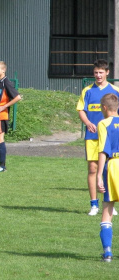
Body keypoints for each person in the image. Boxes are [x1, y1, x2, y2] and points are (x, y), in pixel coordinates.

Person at [77, 59, 119, 216]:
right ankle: (94, 204)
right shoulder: (87, 91)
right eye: (96, 72)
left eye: (101, 72)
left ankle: (110, 202)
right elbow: (81, 109)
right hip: (93, 136)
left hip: (111, 136)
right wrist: (88, 122)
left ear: (107, 72)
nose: (98, 75)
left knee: (109, 169)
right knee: (93, 168)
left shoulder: (115, 90)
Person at [96, 93, 119, 262]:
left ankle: (108, 252)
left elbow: (104, 149)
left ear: (104, 108)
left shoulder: (103, 123)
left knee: (107, 209)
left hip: (113, 165)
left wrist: (99, 175)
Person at [0, 61, 22, 173]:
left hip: (1, 116)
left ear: (3, 70)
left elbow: (17, 97)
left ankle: (2, 166)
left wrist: (4, 107)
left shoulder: (6, 82)